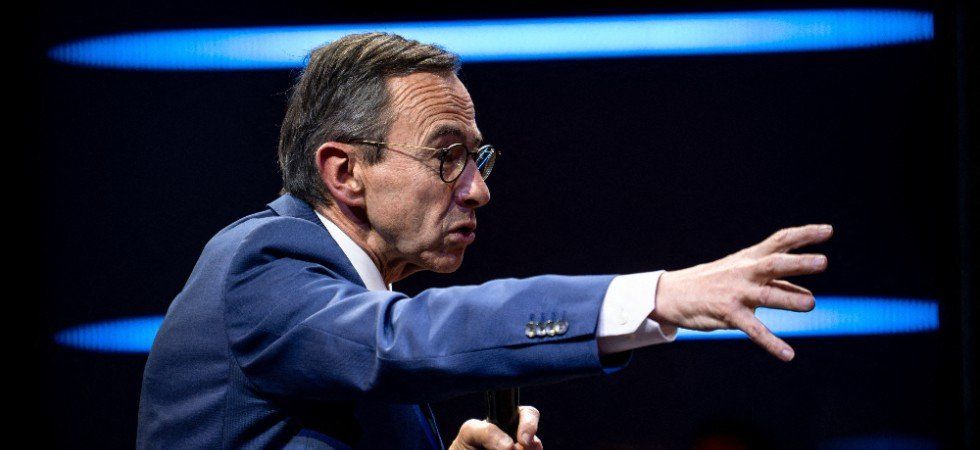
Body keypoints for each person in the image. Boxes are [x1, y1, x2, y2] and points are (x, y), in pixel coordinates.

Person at [136, 32, 832, 449]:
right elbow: (407, 337)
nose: (477, 189)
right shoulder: (259, 265)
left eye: (479, 159)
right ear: (344, 172)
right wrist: (657, 295)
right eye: (446, 157)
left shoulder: (350, 313)